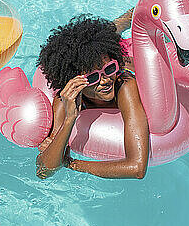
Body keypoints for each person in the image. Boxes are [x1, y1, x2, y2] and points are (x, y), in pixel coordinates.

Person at [35, 11, 150, 180]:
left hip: (130, 61)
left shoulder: (123, 84)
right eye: (92, 77)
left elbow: (137, 168)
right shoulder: (64, 100)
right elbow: (43, 172)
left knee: (112, 34)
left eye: (109, 69)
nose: (105, 81)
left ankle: (131, 15)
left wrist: (71, 163)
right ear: (74, 81)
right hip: (101, 58)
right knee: (101, 40)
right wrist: (70, 119)